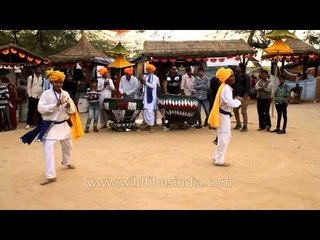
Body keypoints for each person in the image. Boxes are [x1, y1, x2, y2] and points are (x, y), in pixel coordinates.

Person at [21, 69, 83, 185]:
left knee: (68, 146)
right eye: (56, 82)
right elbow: (41, 109)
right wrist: (56, 105)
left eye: (60, 82)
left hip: (64, 124)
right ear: (51, 82)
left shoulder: (66, 94)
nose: (58, 84)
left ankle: (67, 161)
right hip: (50, 126)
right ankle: (50, 176)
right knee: (48, 149)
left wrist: (69, 106)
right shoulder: (46, 94)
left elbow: (72, 110)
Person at [208, 67, 241, 167]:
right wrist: (239, 101)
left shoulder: (224, 87)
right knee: (224, 137)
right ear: (226, 78)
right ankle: (219, 160)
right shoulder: (226, 88)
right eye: (231, 76)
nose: (233, 78)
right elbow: (230, 102)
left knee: (225, 136)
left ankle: (216, 156)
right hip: (223, 115)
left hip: (223, 115)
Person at [232, 63, 251, 132]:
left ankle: (245, 126)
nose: (237, 68)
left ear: (242, 69)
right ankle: (238, 124)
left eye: (238, 67)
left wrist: (245, 96)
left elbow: (248, 87)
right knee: (235, 110)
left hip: (244, 96)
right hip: (237, 96)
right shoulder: (236, 76)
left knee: (243, 111)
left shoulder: (246, 77)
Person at [141, 63, 159, 133]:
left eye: (149, 69)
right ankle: (148, 125)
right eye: (147, 69)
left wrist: (145, 83)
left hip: (152, 97)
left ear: (152, 70)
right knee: (145, 111)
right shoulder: (146, 77)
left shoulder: (155, 77)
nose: (148, 70)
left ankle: (151, 127)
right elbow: (144, 86)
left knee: (150, 111)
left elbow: (153, 86)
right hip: (145, 96)